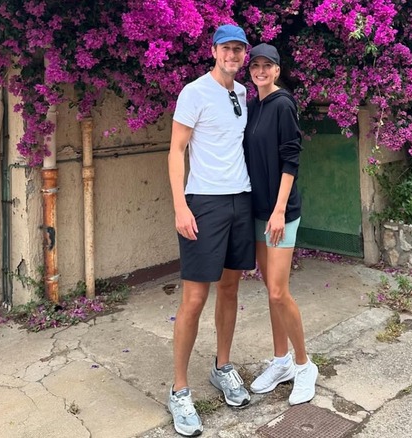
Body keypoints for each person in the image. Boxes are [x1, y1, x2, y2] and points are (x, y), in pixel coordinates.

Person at [166, 24, 255, 437]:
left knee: (230, 288)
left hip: (241, 199)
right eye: (226, 48)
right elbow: (176, 150)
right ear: (214, 50)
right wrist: (180, 205)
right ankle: (179, 390)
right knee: (195, 297)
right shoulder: (194, 92)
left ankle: (222, 367)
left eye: (239, 49)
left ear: (244, 55)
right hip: (204, 203)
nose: (232, 55)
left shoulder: (243, 93)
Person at [242, 43, 318, 405]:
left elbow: (291, 159)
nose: (260, 71)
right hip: (258, 210)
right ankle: (281, 361)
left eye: (266, 65)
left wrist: (278, 209)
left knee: (277, 291)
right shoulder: (253, 106)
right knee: (269, 287)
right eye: (254, 65)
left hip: (280, 213)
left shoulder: (283, 104)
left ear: (277, 70)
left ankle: (304, 366)